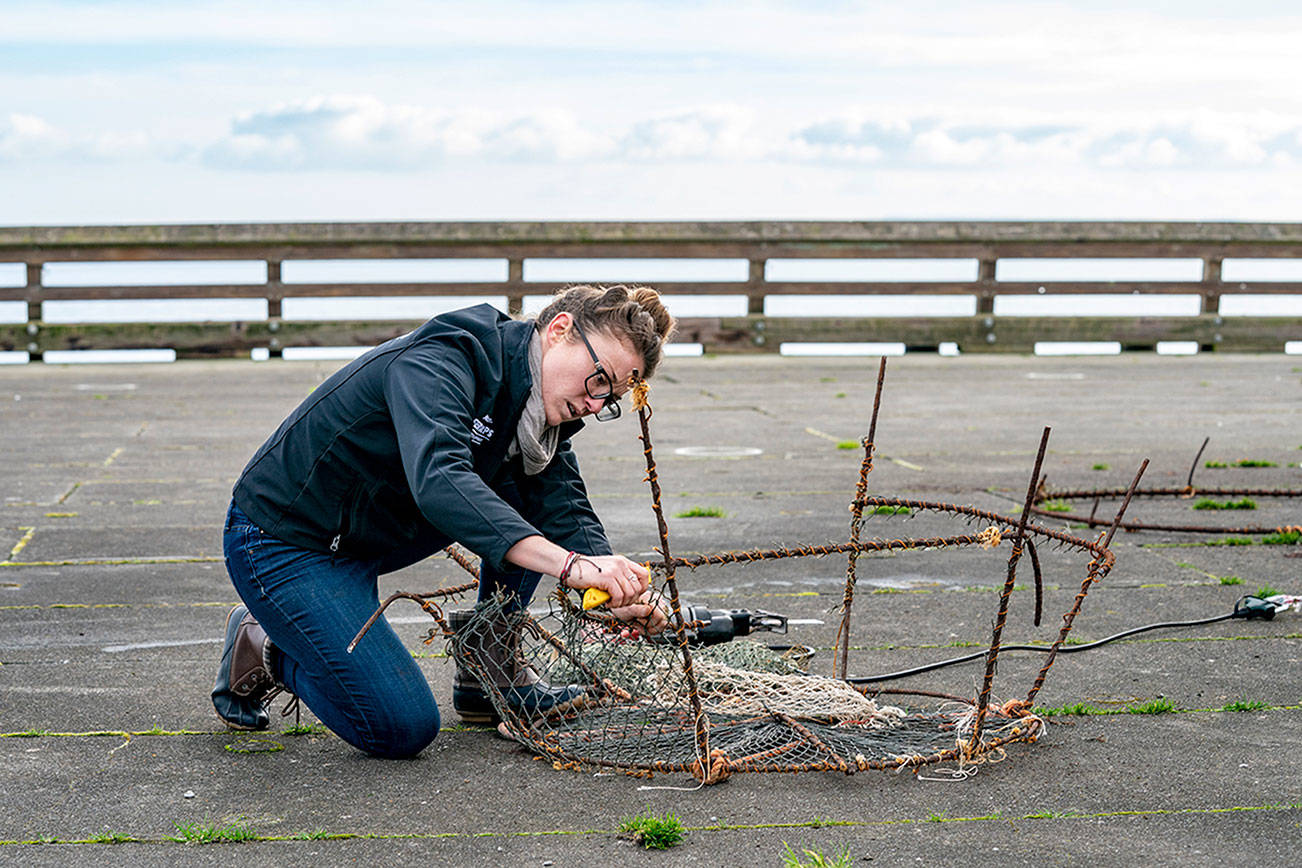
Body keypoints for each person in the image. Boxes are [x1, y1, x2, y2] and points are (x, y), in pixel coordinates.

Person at [211, 285, 675, 759]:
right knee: (400, 727)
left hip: (360, 543)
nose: (596, 404)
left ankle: (488, 666)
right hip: (284, 541)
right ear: (560, 332)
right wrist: (571, 566)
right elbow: (439, 479)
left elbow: (561, 504)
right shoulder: (445, 357)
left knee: (526, 491)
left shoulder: (537, 414)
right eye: (600, 380)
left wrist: (616, 590)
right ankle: (261, 641)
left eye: (611, 398)